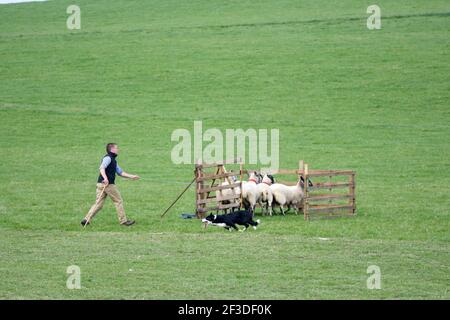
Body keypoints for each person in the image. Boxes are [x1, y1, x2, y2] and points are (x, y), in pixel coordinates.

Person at [82, 143, 140, 226]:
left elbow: (120, 172)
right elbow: (102, 168)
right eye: (116, 148)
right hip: (108, 185)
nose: (118, 149)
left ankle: (86, 219)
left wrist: (132, 176)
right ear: (112, 149)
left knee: (98, 204)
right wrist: (105, 178)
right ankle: (123, 221)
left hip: (100, 184)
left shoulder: (113, 160)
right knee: (118, 201)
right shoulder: (108, 158)